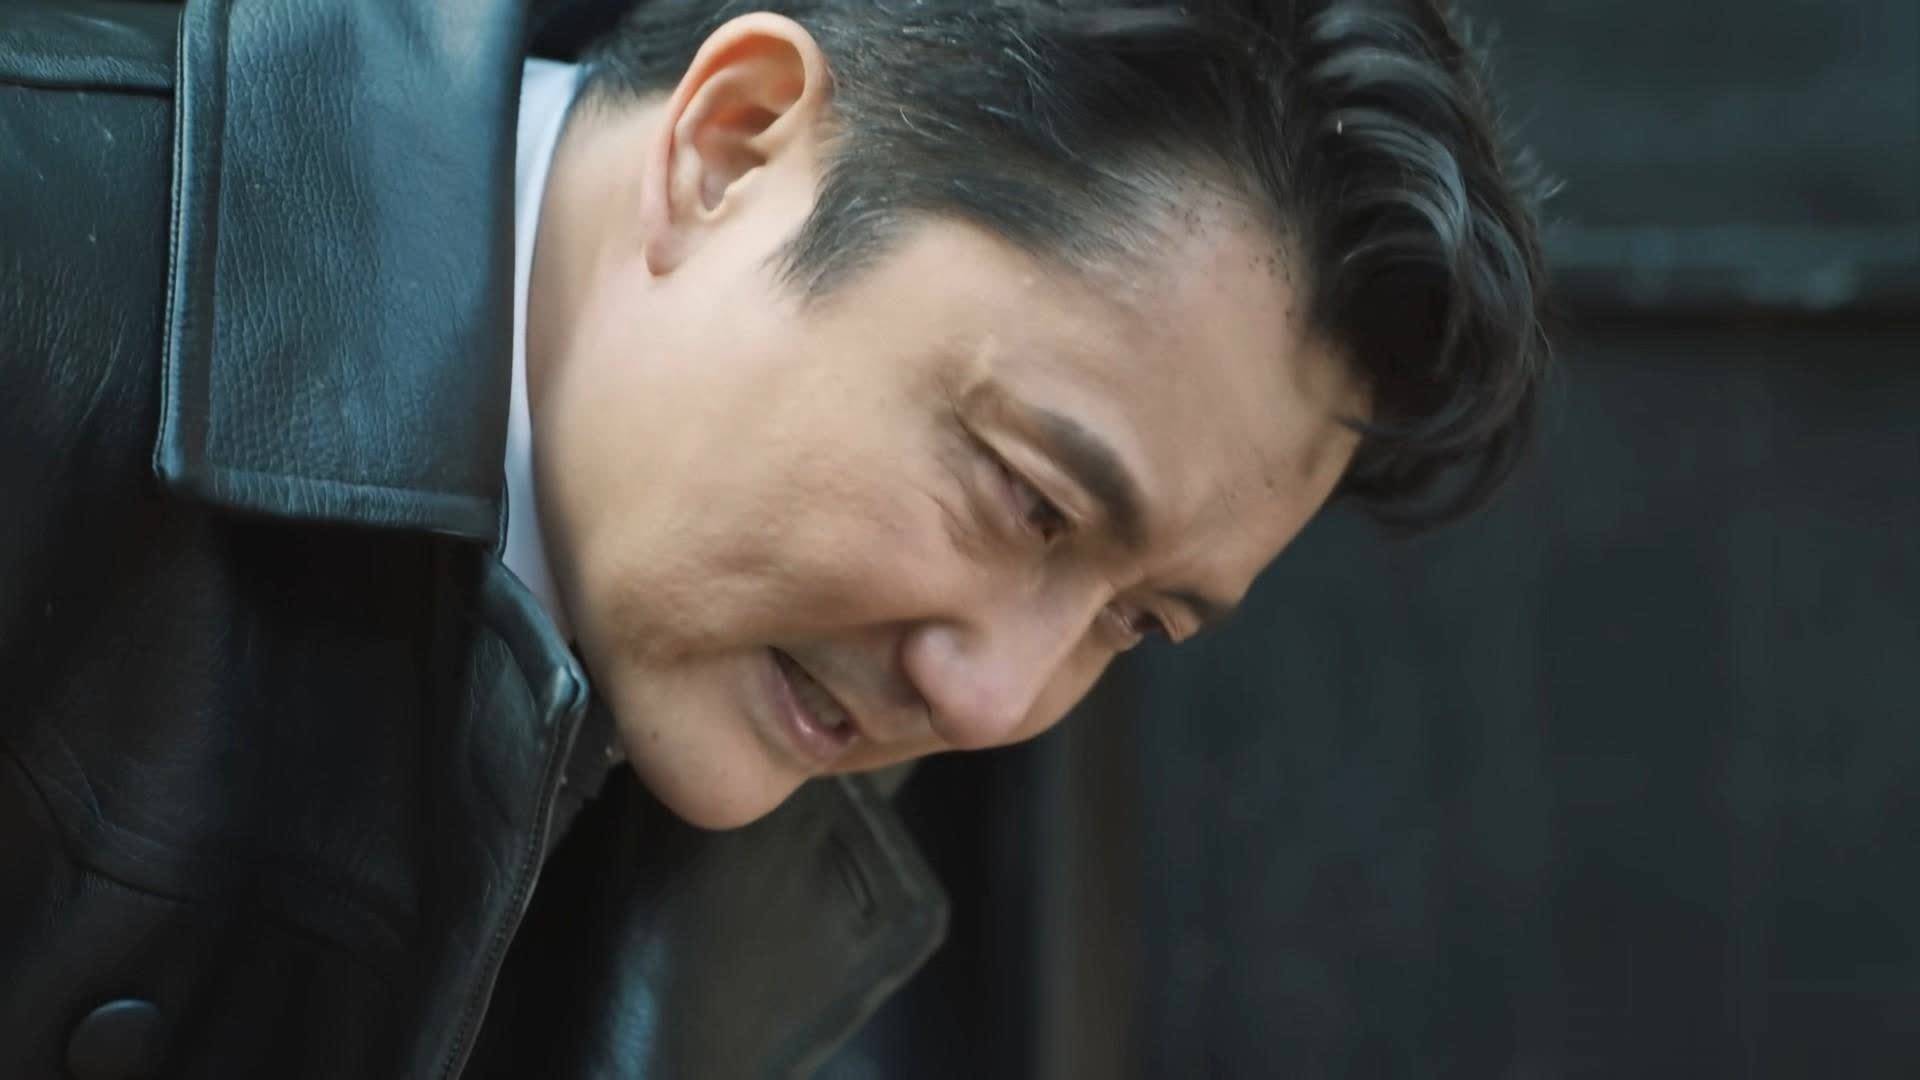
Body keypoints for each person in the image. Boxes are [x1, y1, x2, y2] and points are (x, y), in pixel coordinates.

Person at [0, 0, 1548, 1075]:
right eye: (1028, 499)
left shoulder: (728, 775)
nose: (995, 698)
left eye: (1133, 621)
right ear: (731, 146)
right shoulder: (38, 268)